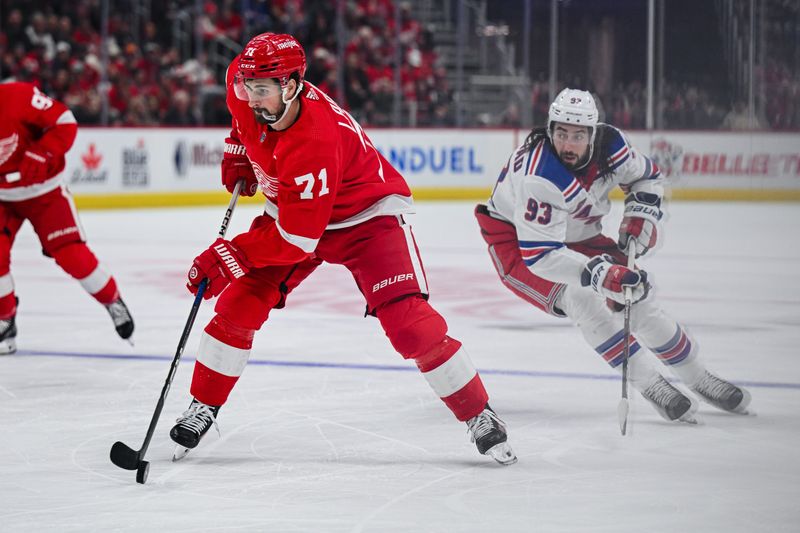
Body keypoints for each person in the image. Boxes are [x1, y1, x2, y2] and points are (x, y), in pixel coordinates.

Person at [168, 33, 516, 465]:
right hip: (296, 216)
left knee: (408, 323)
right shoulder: (245, 83)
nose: (252, 98)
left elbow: (298, 240)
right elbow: (242, 119)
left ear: (292, 85)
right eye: (247, 87)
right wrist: (239, 151)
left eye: (262, 90)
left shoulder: (314, 138)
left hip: (365, 220)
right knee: (239, 305)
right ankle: (204, 404)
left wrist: (231, 255)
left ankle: (478, 413)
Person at [475, 88, 751, 423]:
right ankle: (652, 385)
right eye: (561, 133)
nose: (568, 144)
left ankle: (698, 376)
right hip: (519, 243)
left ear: (593, 133)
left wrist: (641, 215)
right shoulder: (540, 175)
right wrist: (600, 275)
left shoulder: (613, 146)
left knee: (637, 294)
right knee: (581, 299)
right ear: (550, 131)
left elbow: (647, 178)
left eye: (578, 135)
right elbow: (542, 256)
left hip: (578, 233)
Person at [0, 82, 134, 354]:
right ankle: (5, 320)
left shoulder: (17, 96)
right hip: (3, 196)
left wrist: (42, 152)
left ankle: (112, 299)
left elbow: (65, 121)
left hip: (45, 192)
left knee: (72, 256)